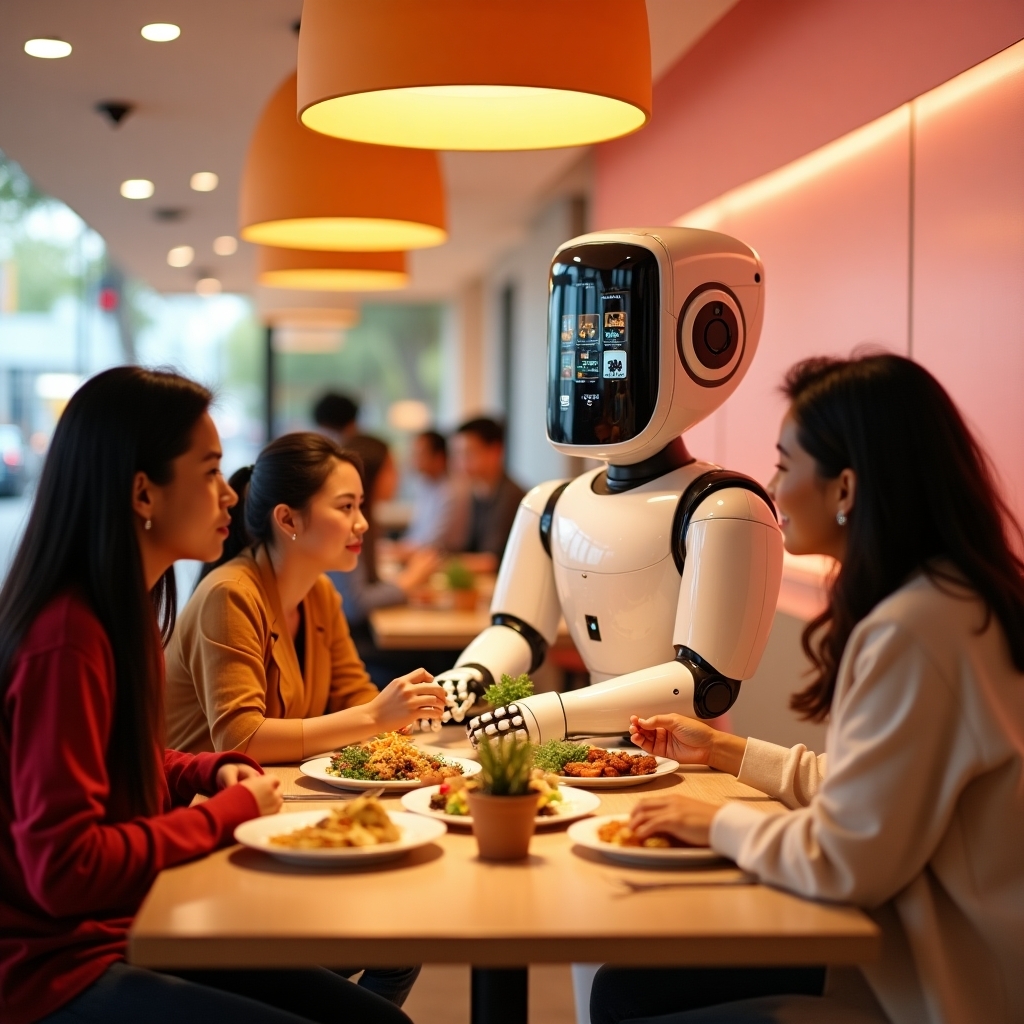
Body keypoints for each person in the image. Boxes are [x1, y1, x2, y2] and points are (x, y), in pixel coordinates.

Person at [594, 354, 1024, 1024]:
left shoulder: (914, 630)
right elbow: (872, 789)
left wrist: (716, 822)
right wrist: (724, 752)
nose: (770, 486)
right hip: (917, 946)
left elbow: (847, 860)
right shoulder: (953, 601)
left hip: (940, 983)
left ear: (846, 489)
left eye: (786, 466)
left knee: (627, 993)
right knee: (632, 985)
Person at [0, 367, 411, 1024]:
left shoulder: (122, 611)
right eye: (210, 472)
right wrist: (223, 812)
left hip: (122, 924)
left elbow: (124, 760)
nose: (228, 496)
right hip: (54, 967)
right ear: (143, 494)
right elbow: (63, 869)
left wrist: (200, 770)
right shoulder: (68, 638)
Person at [165, 432, 446, 765]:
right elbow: (240, 740)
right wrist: (374, 717)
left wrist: (393, 721)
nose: (362, 522)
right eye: (346, 506)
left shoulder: (319, 592)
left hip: (269, 785)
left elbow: (353, 692)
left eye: (360, 505)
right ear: (287, 519)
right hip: (198, 801)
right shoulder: (230, 595)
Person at [327, 434, 444, 688]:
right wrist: (408, 581)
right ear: (371, 474)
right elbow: (355, 604)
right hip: (350, 641)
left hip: (355, 635)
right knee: (441, 660)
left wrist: (406, 591)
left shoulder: (367, 520)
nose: (398, 477)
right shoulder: (351, 525)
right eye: (391, 469)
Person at [451, 417, 525, 573]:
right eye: (458, 454)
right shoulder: (477, 491)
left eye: (469, 453)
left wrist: (439, 563)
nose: (461, 462)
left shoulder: (512, 496)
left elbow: (490, 561)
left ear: (495, 451)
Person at [399, 429, 469, 552]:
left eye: (419, 454)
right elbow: (416, 531)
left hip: (446, 557)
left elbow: (434, 541)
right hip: (420, 552)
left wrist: (399, 550)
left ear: (439, 458)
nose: (413, 460)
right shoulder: (425, 485)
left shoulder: (452, 491)